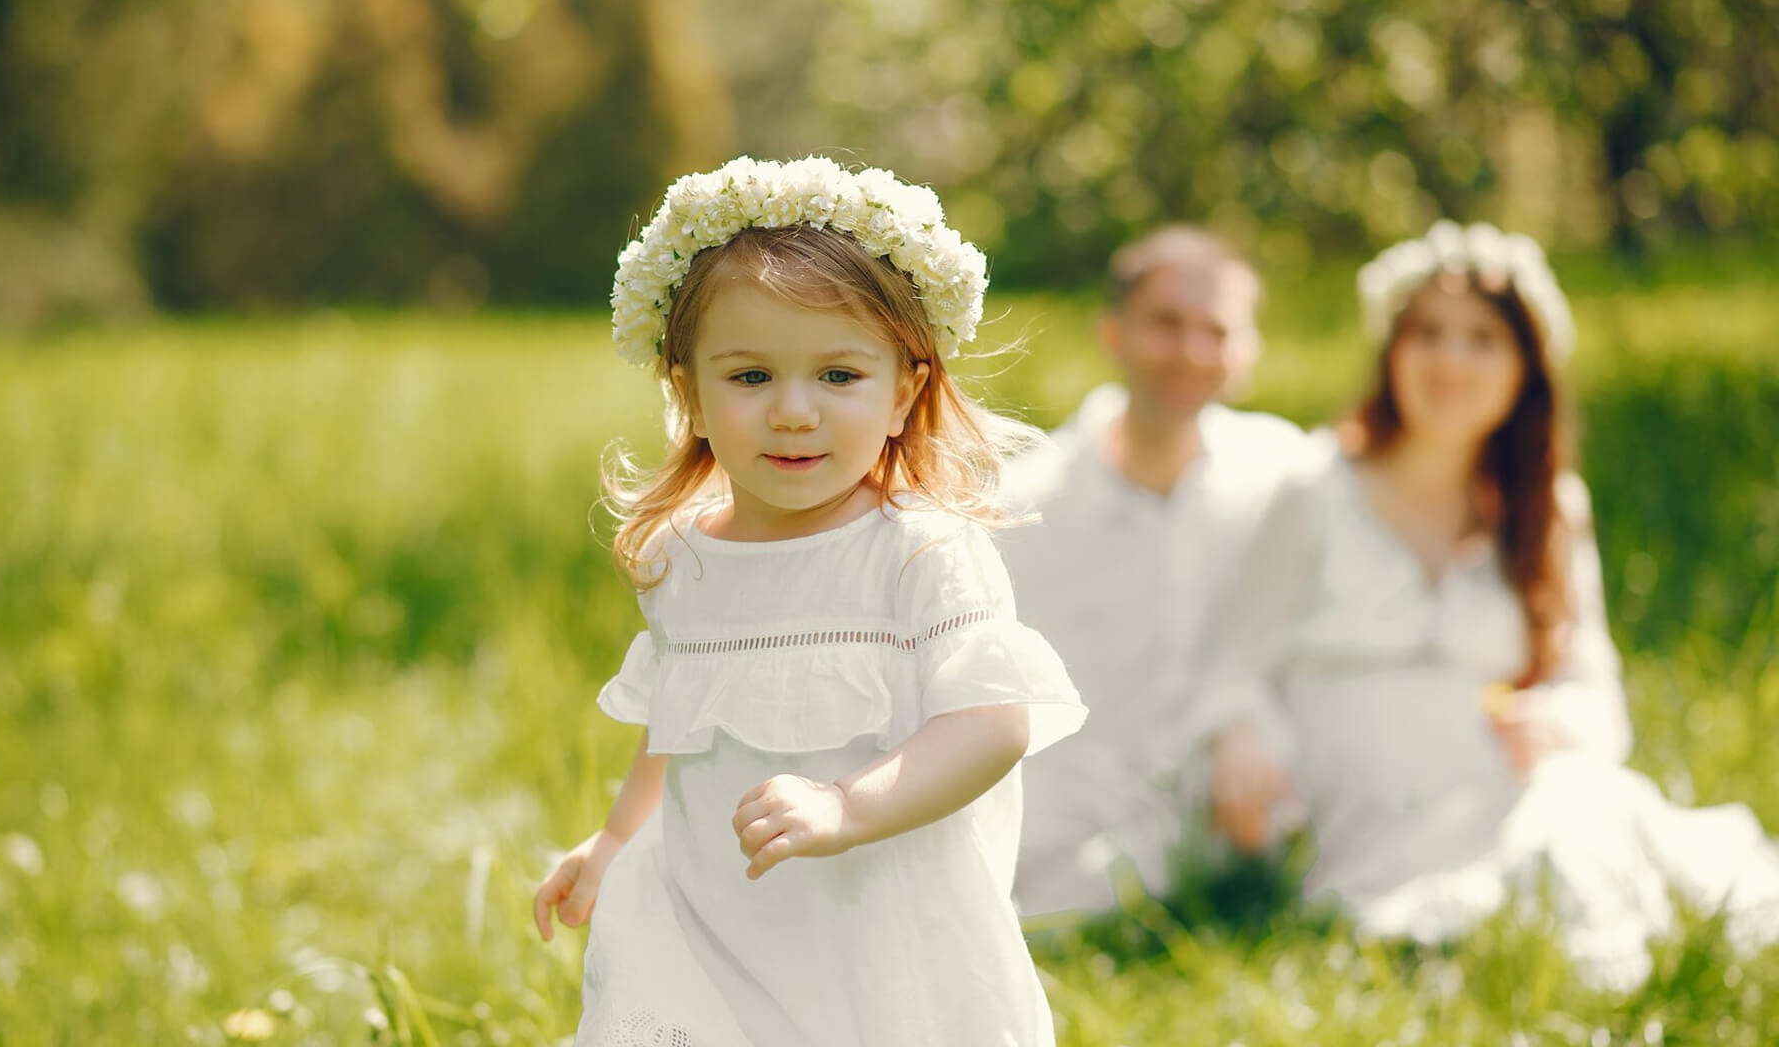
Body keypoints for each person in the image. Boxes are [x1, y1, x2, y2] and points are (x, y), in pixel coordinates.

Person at [531, 156, 1087, 1045]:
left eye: (839, 376)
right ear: (691, 396)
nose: (794, 411)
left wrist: (847, 807)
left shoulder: (921, 552)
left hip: (876, 915)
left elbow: (991, 725)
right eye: (751, 377)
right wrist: (614, 839)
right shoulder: (686, 559)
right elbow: (677, 728)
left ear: (905, 392)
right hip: (714, 912)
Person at [1206, 219, 1779, 988]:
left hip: (1498, 788)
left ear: (1524, 368)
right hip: (1354, 815)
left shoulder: (1548, 509)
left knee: (1578, 814)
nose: (1451, 360)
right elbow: (1235, 658)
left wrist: (1557, 724)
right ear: (1392, 352)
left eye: (1483, 338)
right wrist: (1242, 736)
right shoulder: (1315, 488)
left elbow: (1595, 691)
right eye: (1429, 334)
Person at [1000, 226, 1311, 918]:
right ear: (1113, 332)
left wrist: (1244, 721)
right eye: (1167, 324)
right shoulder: (1020, 503)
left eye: (1218, 330)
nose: (1193, 351)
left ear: (1249, 350)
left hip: (1226, 794)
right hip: (1059, 806)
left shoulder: (1283, 475)